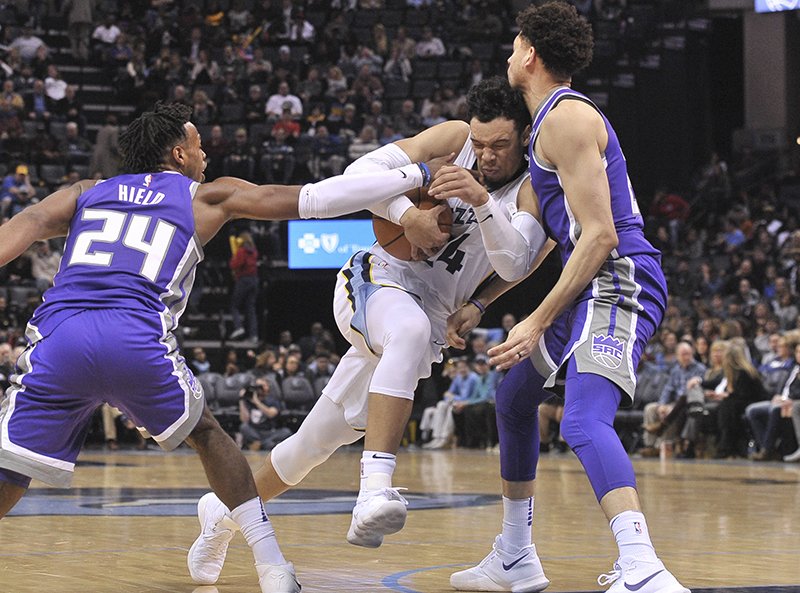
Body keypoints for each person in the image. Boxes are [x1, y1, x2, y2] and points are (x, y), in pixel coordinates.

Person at [0, 102, 450, 593]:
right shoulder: (206, 196)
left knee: (11, 468)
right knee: (209, 437)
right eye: (198, 145)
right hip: (133, 335)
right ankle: (272, 565)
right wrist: (420, 174)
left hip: (60, 337)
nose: (205, 154)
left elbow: (28, 222)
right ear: (179, 154)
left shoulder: (85, 192)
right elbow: (316, 199)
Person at [186, 77, 552, 582]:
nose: (485, 155)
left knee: (310, 446)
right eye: (480, 143)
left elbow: (519, 260)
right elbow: (359, 174)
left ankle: (221, 515)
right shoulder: (452, 139)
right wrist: (408, 215)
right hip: (378, 277)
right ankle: (375, 488)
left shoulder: (533, 186)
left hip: (431, 314)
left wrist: (480, 272)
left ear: (525, 136)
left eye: (499, 145)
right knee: (407, 330)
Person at [444, 4, 690, 592]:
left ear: (530, 54)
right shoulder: (544, 128)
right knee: (513, 399)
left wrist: (534, 319)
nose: (509, 55)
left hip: (617, 279)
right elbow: (553, 242)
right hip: (587, 283)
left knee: (582, 420)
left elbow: (601, 236)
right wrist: (481, 302)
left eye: (514, 46)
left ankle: (643, 567)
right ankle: (514, 554)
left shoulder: (567, 117)